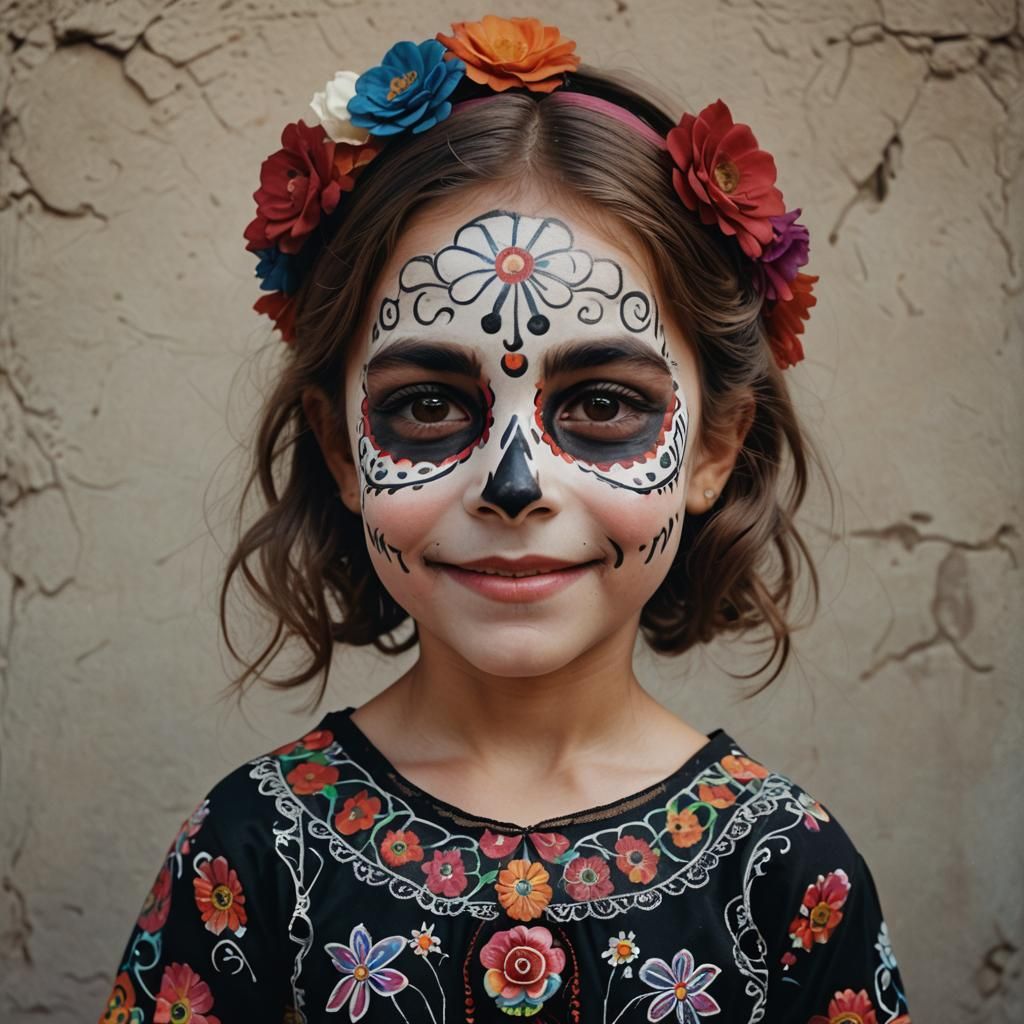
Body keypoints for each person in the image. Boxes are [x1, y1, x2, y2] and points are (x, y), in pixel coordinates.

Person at [98, 14, 913, 1024]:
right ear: (344, 447)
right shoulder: (251, 851)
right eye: (430, 405)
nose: (513, 482)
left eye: (605, 403)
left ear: (713, 446)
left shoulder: (789, 876)